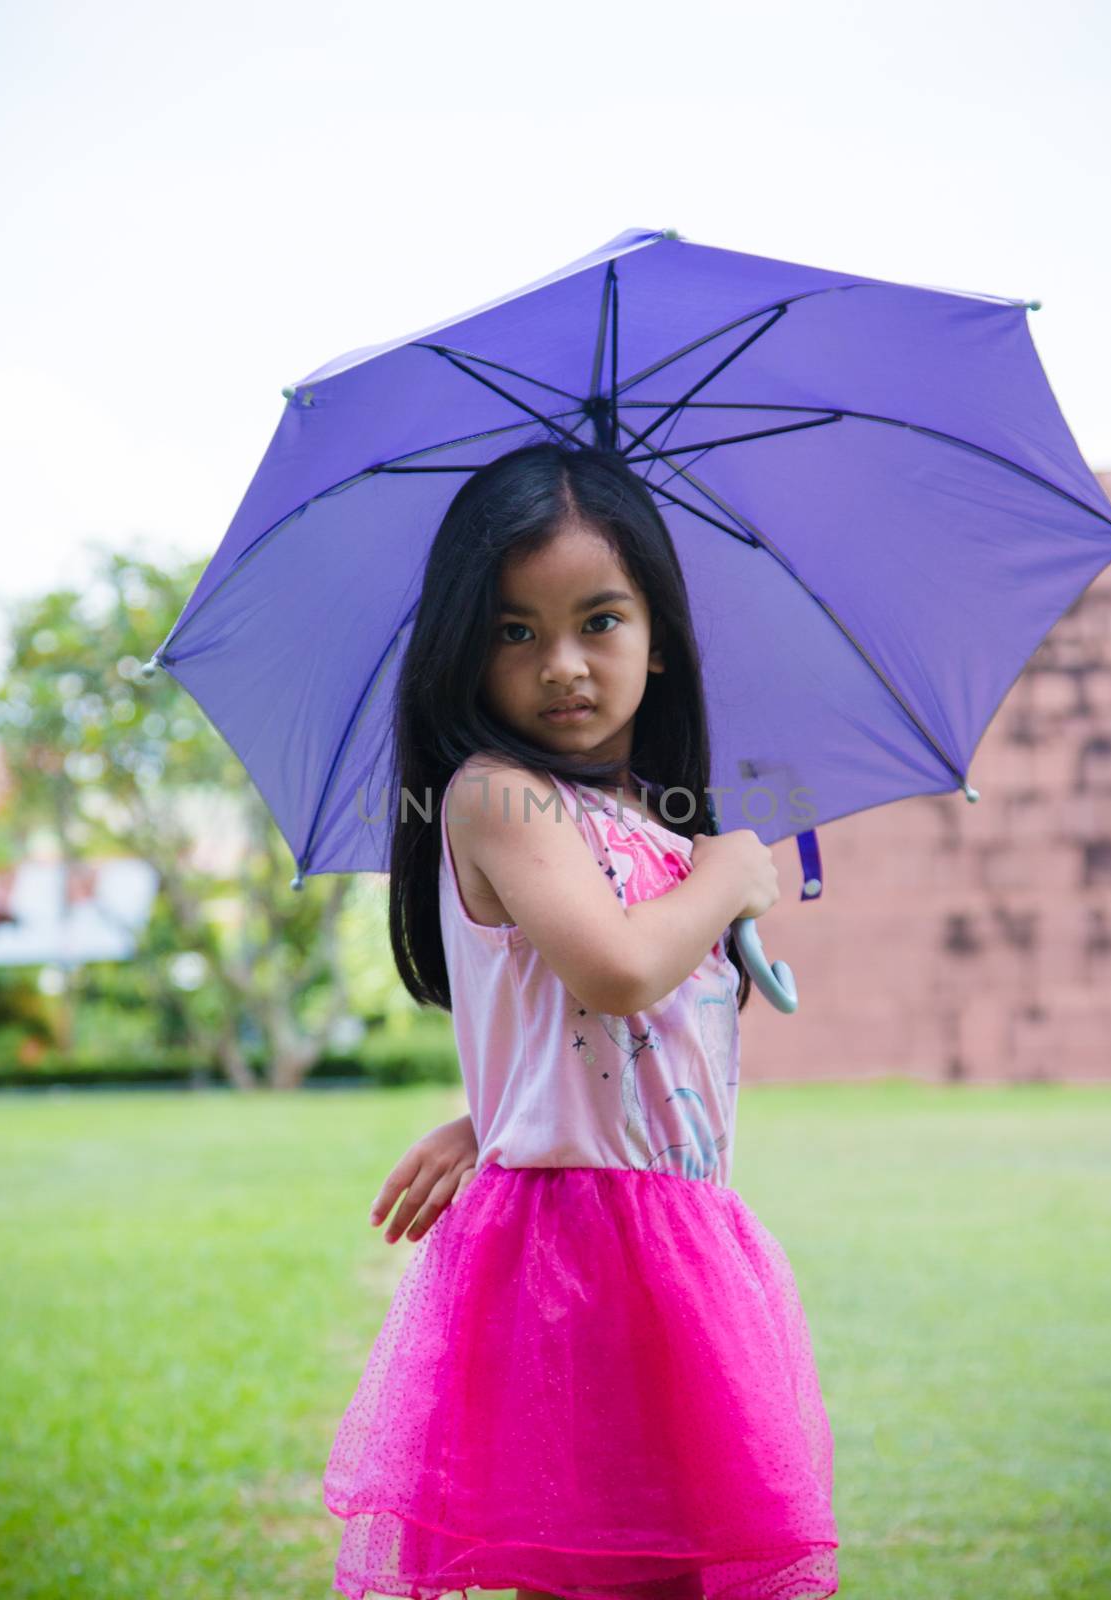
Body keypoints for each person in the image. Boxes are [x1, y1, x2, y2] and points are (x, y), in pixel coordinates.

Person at [322, 440, 839, 1600]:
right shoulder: (497, 796)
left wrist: (495, 1111)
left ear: (658, 641)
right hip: (578, 1266)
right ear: (464, 647)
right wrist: (731, 877)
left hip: (676, 1249)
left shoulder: (650, 824)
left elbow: (607, 1036)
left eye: (599, 620)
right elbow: (613, 972)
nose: (562, 664)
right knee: (604, 1570)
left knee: (680, 1569)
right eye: (515, 630)